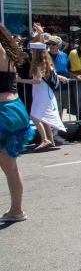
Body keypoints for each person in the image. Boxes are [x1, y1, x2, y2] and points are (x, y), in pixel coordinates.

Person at [0, 24, 35, 223]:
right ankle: (16, 209)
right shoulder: (8, 50)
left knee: (9, 166)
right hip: (14, 108)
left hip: (3, 111)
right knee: (9, 166)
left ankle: (17, 210)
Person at [16, 42, 67, 150]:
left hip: (42, 93)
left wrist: (21, 80)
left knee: (34, 115)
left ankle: (45, 139)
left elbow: (37, 80)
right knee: (43, 116)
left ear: (36, 52)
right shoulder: (46, 62)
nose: (31, 52)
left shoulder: (39, 63)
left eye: (32, 50)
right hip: (44, 92)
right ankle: (50, 140)